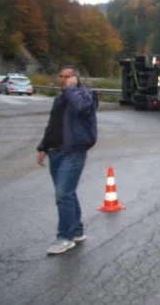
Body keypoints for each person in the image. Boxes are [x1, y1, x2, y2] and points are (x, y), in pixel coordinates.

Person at [36, 65, 98, 255]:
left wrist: (72, 89)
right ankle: (77, 230)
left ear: (76, 79)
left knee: (63, 194)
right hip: (55, 152)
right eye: (61, 76)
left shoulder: (86, 95)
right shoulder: (59, 99)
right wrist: (43, 148)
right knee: (66, 193)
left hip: (73, 151)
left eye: (68, 77)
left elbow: (81, 108)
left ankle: (65, 237)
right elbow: (53, 125)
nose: (63, 80)